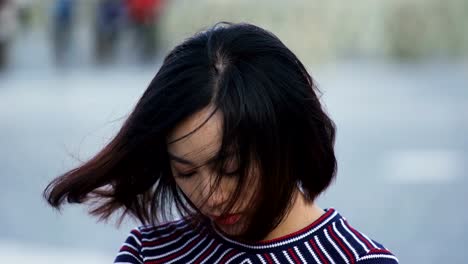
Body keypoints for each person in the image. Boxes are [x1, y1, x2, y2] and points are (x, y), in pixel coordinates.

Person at [43, 22, 399, 263]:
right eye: (186, 171)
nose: (211, 196)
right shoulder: (151, 254)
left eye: (231, 168)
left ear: (287, 140)